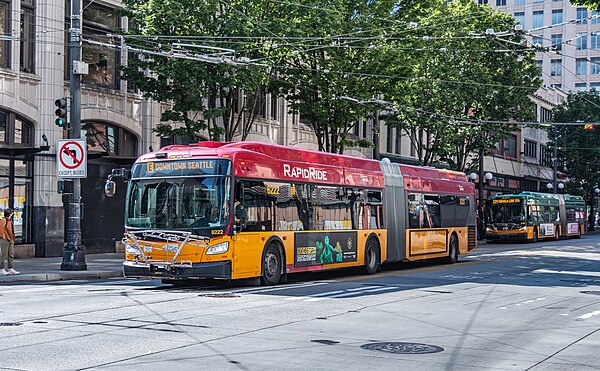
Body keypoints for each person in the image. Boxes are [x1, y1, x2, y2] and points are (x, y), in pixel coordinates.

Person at [0, 208, 18, 275]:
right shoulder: (3, 220)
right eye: (11, 213)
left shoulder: (10, 221)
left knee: (11, 254)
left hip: (10, 239)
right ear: (9, 214)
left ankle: (11, 268)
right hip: (5, 239)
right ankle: (1, 269)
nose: (12, 214)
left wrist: (12, 238)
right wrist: (3, 236)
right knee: (3, 255)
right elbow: (1, 229)